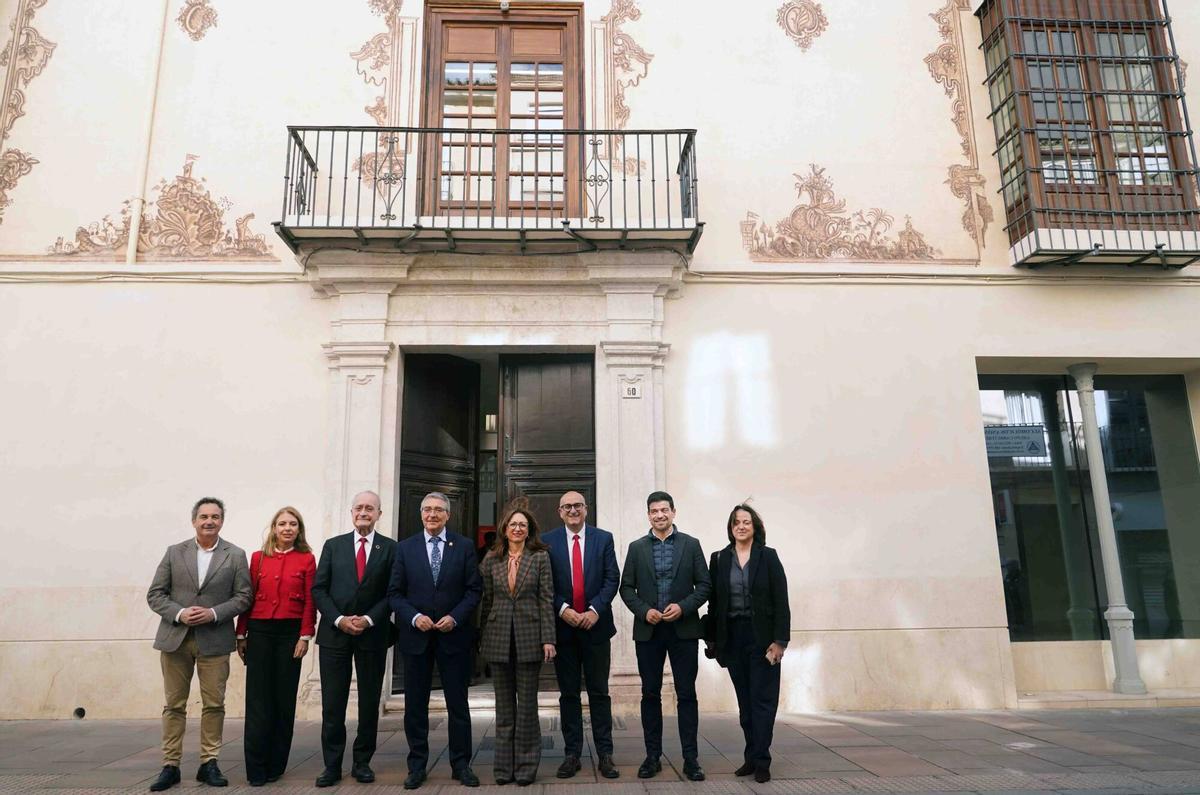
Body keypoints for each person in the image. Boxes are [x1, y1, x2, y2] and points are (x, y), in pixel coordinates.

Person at [146, 497, 252, 792]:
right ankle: (171, 765)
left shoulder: (236, 555)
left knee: (214, 704)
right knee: (174, 705)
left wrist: (214, 613)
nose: (209, 521)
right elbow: (155, 594)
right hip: (175, 639)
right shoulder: (174, 552)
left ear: (222, 521)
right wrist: (180, 613)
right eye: (204, 516)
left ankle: (209, 763)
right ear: (194, 520)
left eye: (215, 517)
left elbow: (244, 597)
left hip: (215, 639)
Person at [388, 492, 483, 789]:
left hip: (453, 637)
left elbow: (474, 590)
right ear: (420, 514)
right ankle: (417, 765)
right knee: (415, 705)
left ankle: (461, 764)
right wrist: (414, 617)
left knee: (458, 704)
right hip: (416, 637)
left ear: (448, 515)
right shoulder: (405, 549)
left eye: (438, 510)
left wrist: (454, 617)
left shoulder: (465, 546)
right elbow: (394, 593)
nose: (432, 514)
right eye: (427, 510)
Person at [619, 490, 711, 782]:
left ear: (673, 512)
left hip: (683, 631)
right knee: (650, 694)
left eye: (664, 510)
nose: (659, 515)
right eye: (654, 511)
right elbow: (626, 588)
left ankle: (691, 760)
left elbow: (705, 586)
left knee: (686, 694)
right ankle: (652, 757)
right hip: (649, 631)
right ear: (648, 515)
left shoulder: (691, 545)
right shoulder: (636, 548)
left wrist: (683, 608)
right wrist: (644, 611)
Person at [311, 491, 397, 787]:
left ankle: (362, 761)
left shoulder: (390, 549)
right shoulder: (333, 546)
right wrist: (339, 619)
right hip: (335, 634)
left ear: (379, 514)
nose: (364, 512)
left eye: (370, 508)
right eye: (359, 507)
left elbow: (393, 592)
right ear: (351, 512)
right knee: (333, 703)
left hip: (372, 635)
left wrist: (369, 618)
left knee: (369, 701)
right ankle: (332, 765)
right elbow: (319, 589)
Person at [704, 504, 790, 783]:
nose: (741, 526)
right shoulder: (719, 559)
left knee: (763, 701)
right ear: (731, 528)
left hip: (762, 639)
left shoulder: (768, 557)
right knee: (745, 703)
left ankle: (763, 760)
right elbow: (715, 603)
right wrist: (714, 640)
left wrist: (780, 641)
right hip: (733, 638)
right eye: (736, 522)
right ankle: (750, 757)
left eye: (746, 522)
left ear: (755, 527)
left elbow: (781, 601)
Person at [234, 507, 317, 786]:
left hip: (290, 635)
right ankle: (255, 767)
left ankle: (276, 764)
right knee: (258, 701)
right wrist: (241, 633)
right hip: (259, 631)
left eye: (293, 524)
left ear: (299, 529)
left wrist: (305, 636)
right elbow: (247, 599)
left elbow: (309, 600)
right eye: (282, 523)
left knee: (283, 699)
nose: (287, 528)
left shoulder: (306, 559)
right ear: (273, 528)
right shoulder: (257, 559)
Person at [478, 500, 557, 785]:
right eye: (513, 524)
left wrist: (549, 638)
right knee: (503, 709)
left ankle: (525, 769)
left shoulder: (539, 557)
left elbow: (546, 599)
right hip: (498, 638)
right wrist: (482, 639)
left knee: (526, 708)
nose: (518, 529)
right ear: (505, 529)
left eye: (523, 525)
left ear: (529, 529)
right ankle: (502, 769)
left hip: (529, 638)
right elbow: (486, 601)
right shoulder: (492, 559)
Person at [543, 491, 620, 780]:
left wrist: (595, 610)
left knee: (599, 692)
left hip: (596, 628)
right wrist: (562, 609)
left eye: (577, 506)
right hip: (564, 630)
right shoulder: (548, 542)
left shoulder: (604, 538)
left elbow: (613, 577)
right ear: (560, 511)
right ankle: (572, 753)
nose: (573, 510)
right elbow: (545, 582)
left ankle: (605, 754)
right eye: (567, 507)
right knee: (569, 694)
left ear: (586, 509)